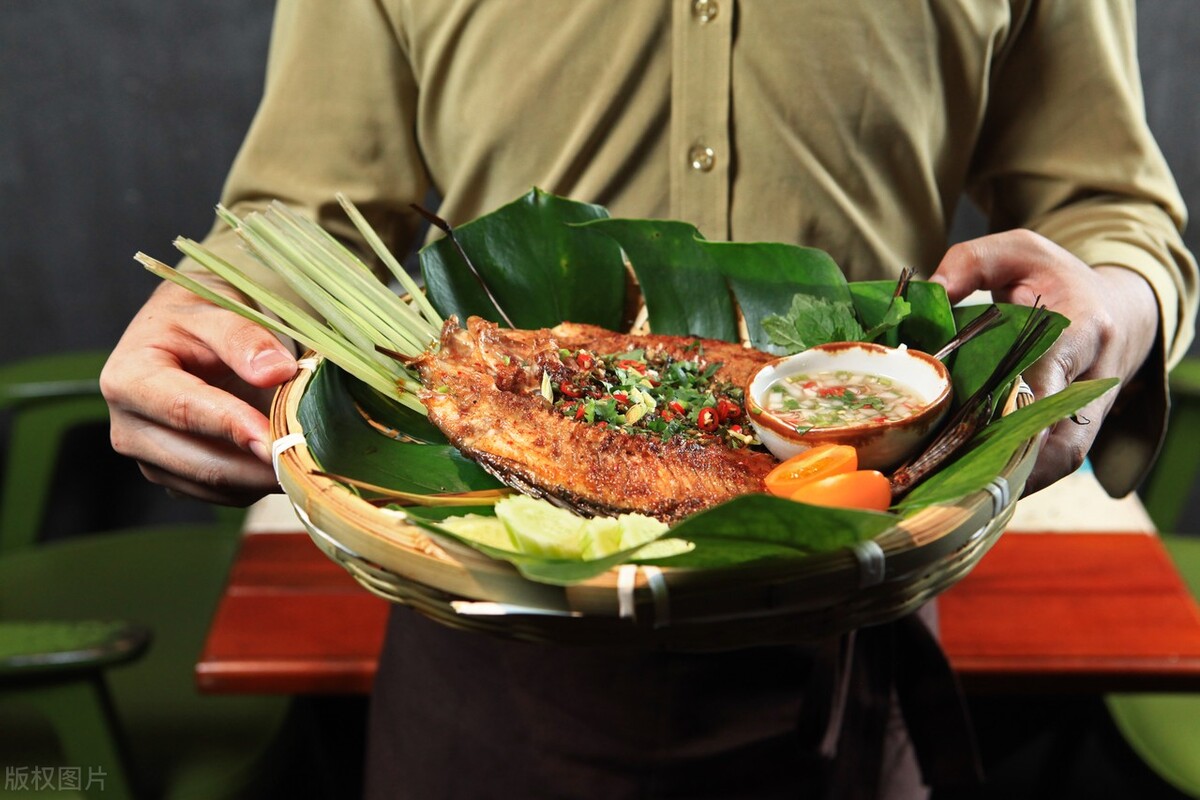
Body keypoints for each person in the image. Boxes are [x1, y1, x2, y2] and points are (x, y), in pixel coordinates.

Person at [101, 2, 1198, 798]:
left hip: (850, 637)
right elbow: (305, 214)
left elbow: (1110, 209)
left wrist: (1115, 302)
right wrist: (226, 303)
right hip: (490, 649)